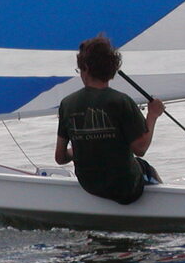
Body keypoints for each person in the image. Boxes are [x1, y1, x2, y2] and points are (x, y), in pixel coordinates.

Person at [54, 35, 164, 204]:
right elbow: (140, 148)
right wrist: (152, 115)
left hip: (89, 185)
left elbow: (60, 157)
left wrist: (81, 148)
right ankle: (161, 209)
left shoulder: (67, 104)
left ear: (86, 68)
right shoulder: (121, 101)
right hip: (125, 188)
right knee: (146, 168)